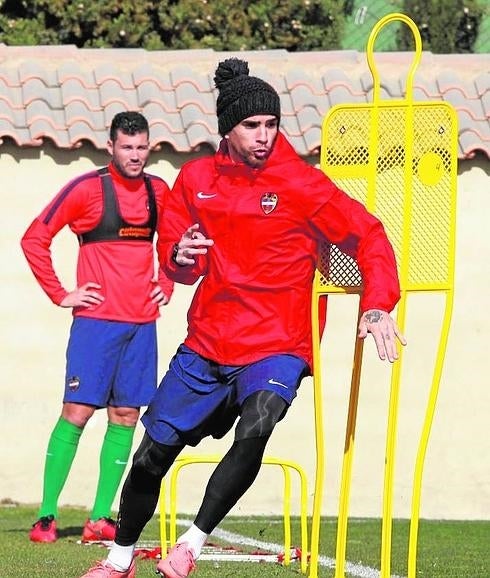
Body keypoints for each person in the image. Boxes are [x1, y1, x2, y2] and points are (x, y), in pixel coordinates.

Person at [79, 59, 406, 578]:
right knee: (150, 458)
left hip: (280, 340)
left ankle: (192, 543)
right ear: (227, 128)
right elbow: (182, 266)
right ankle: (119, 560)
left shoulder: (302, 184)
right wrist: (181, 257)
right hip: (209, 340)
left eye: (271, 124)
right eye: (252, 126)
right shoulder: (195, 179)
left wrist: (378, 302)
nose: (263, 135)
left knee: (257, 425)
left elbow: (368, 234)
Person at [21, 111, 174, 544]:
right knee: (77, 412)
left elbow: (177, 240)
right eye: (127, 147)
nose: (135, 155)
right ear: (110, 148)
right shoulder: (86, 189)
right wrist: (60, 293)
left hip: (142, 326)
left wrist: (166, 282)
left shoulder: (157, 191)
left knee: (126, 415)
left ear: (150, 147)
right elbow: (34, 238)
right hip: (95, 326)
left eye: (142, 147)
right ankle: (46, 517)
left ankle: (100, 518)